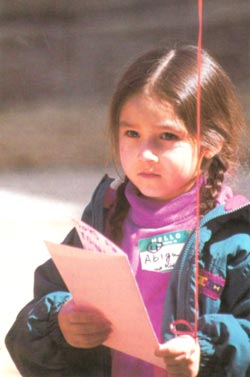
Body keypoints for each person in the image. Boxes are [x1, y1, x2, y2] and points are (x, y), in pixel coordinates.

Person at [5, 45, 250, 377]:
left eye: (167, 136)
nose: (145, 154)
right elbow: (24, 337)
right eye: (132, 133)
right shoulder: (99, 224)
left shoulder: (234, 239)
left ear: (210, 143)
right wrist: (60, 324)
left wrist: (205, 352)